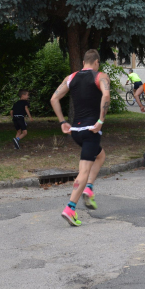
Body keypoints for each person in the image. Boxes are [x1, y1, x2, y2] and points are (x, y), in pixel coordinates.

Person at [50, 49, 111, 227]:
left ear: (84, 62)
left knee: (100, 156)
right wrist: (100, 120)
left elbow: (54, 98)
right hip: (91, 130)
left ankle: (89, 189)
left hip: (76, 131)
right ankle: (70, 208)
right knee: (83, 172)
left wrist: (62, 122)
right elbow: (106, 96)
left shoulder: (71, 77)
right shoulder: (100, 76)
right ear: (97, 62)